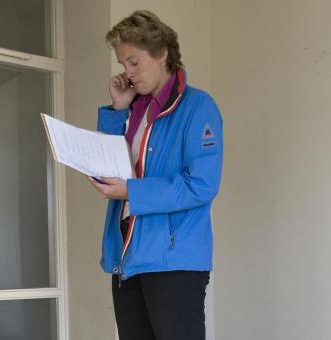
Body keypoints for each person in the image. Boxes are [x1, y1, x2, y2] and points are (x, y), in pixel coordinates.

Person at [89, 10, 223, 340]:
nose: (128, 73)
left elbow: (201, 185)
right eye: (123, 64)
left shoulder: (197, 107)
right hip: (128, 255)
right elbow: (108, 167)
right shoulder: (135, 109)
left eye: (134, 62)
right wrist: (118, 110)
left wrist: (132, 192)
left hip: (173, 259)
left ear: (162, 53)